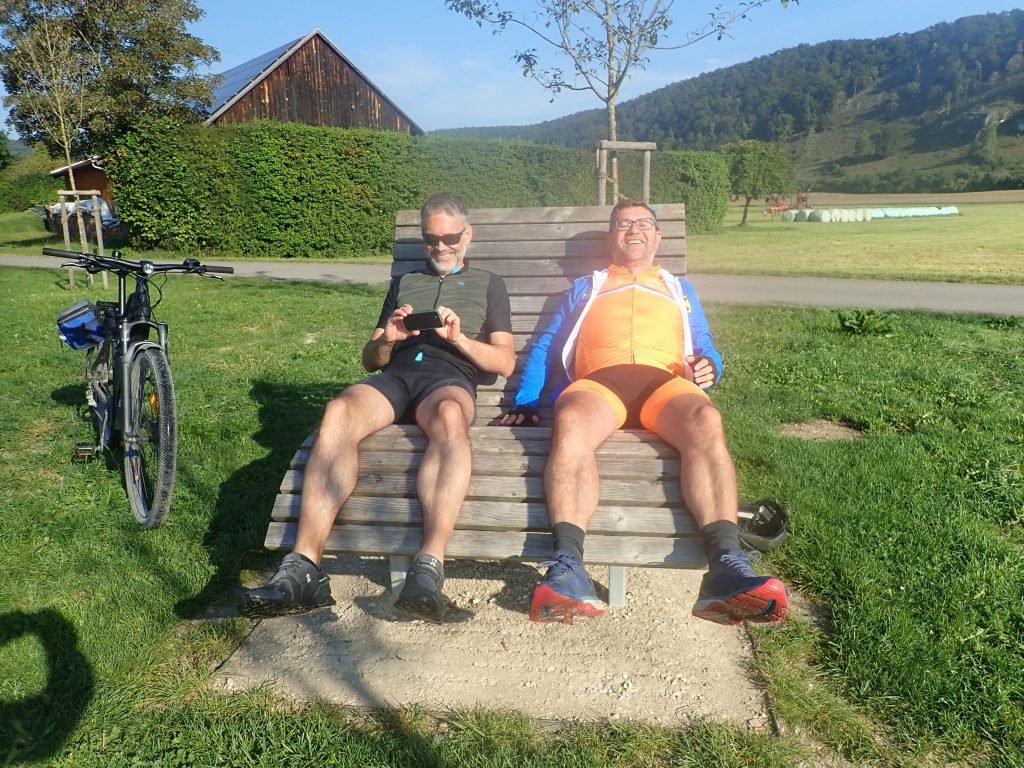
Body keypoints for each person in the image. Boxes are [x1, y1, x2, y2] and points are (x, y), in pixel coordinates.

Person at [500, 198, 788, 626]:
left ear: (657, 235)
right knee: (571, 418)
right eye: (622, 224)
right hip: (601, 383)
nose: (633, 229)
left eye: (643, 223)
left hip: (663, 383)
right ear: (611, 237)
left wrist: (711, 365)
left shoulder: (679, 288)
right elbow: (545, 345)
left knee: (706, 419)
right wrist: (525, 401)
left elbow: (704, 344)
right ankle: (568, 566)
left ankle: (727, 565)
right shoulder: (587, 286)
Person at [241, 192, 516, 624]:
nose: (440, 247)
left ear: (468, 235)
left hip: (447, 380)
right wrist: (389, 339)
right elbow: (370, 360)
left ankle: (428, 570)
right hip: (397, 377)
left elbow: (504, 362)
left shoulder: (489, 284)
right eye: (431, 239)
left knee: (449, 418)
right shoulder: (405, 282)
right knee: (338, 411)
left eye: (449, 238)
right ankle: (304, 570)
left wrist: (459, 339)